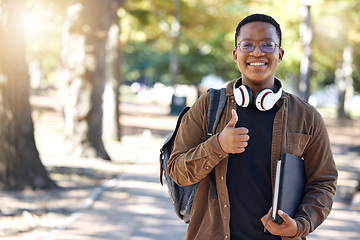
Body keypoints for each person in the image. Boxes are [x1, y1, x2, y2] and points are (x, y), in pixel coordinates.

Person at [168, 13, 337, 240]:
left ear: (280, 53)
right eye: (247, 44)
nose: (257, 52)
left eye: (267, 44)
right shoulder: (208, 106)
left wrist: (299, 226)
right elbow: (178, 172)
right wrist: (217, 145)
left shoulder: (307, 116)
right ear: (236, 54)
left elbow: (323, 182)